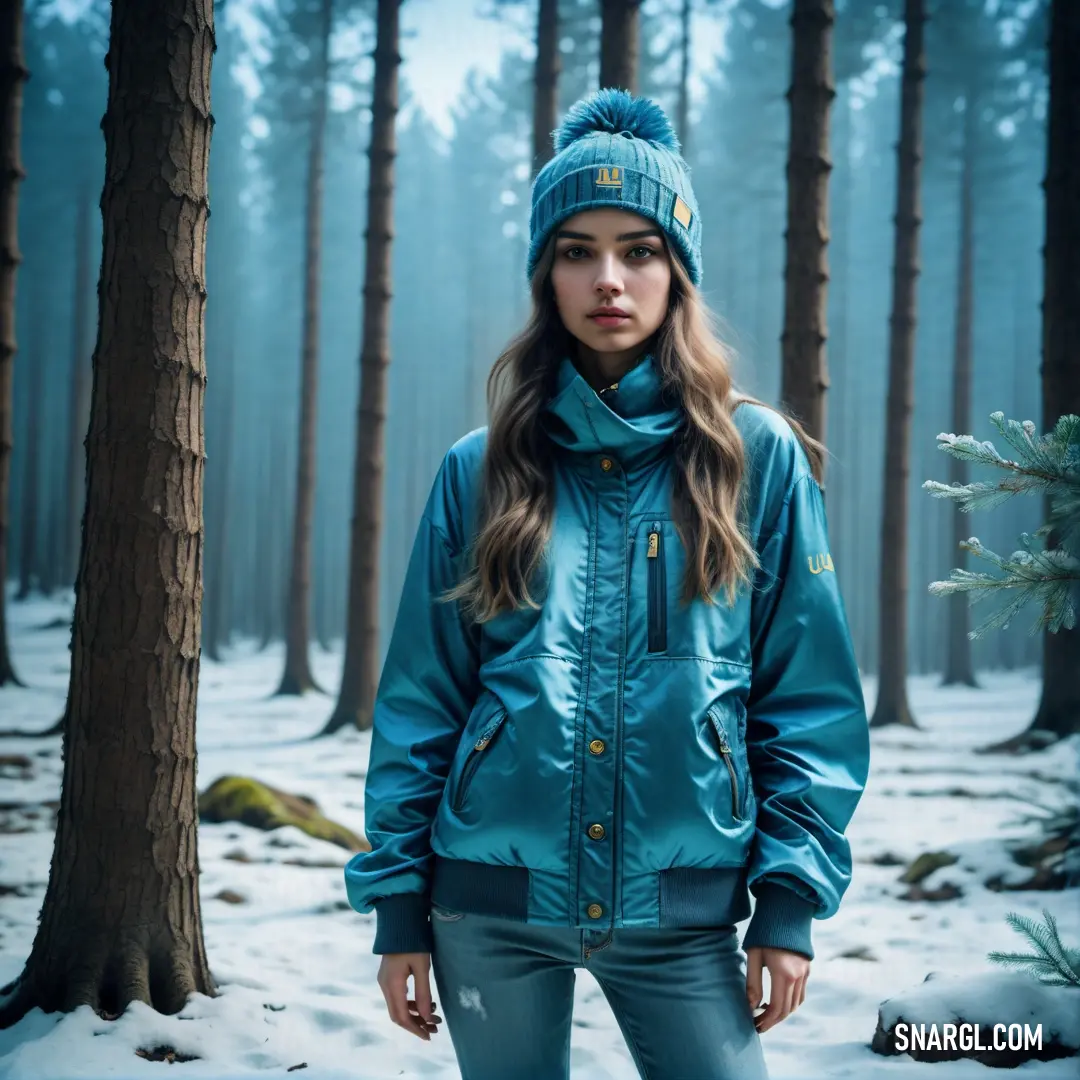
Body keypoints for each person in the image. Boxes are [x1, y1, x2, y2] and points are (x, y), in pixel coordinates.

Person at [344, 87, 870, 1080]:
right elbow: (422, 701)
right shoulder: (478, 467)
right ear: (547, 274)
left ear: (679, 270)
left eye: (638, 249)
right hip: (488, 905)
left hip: (683, 913)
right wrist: (398, 909)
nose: (608, 277)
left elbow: (808, 699)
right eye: (577, 250)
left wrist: (791, 901)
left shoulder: (755, 457)